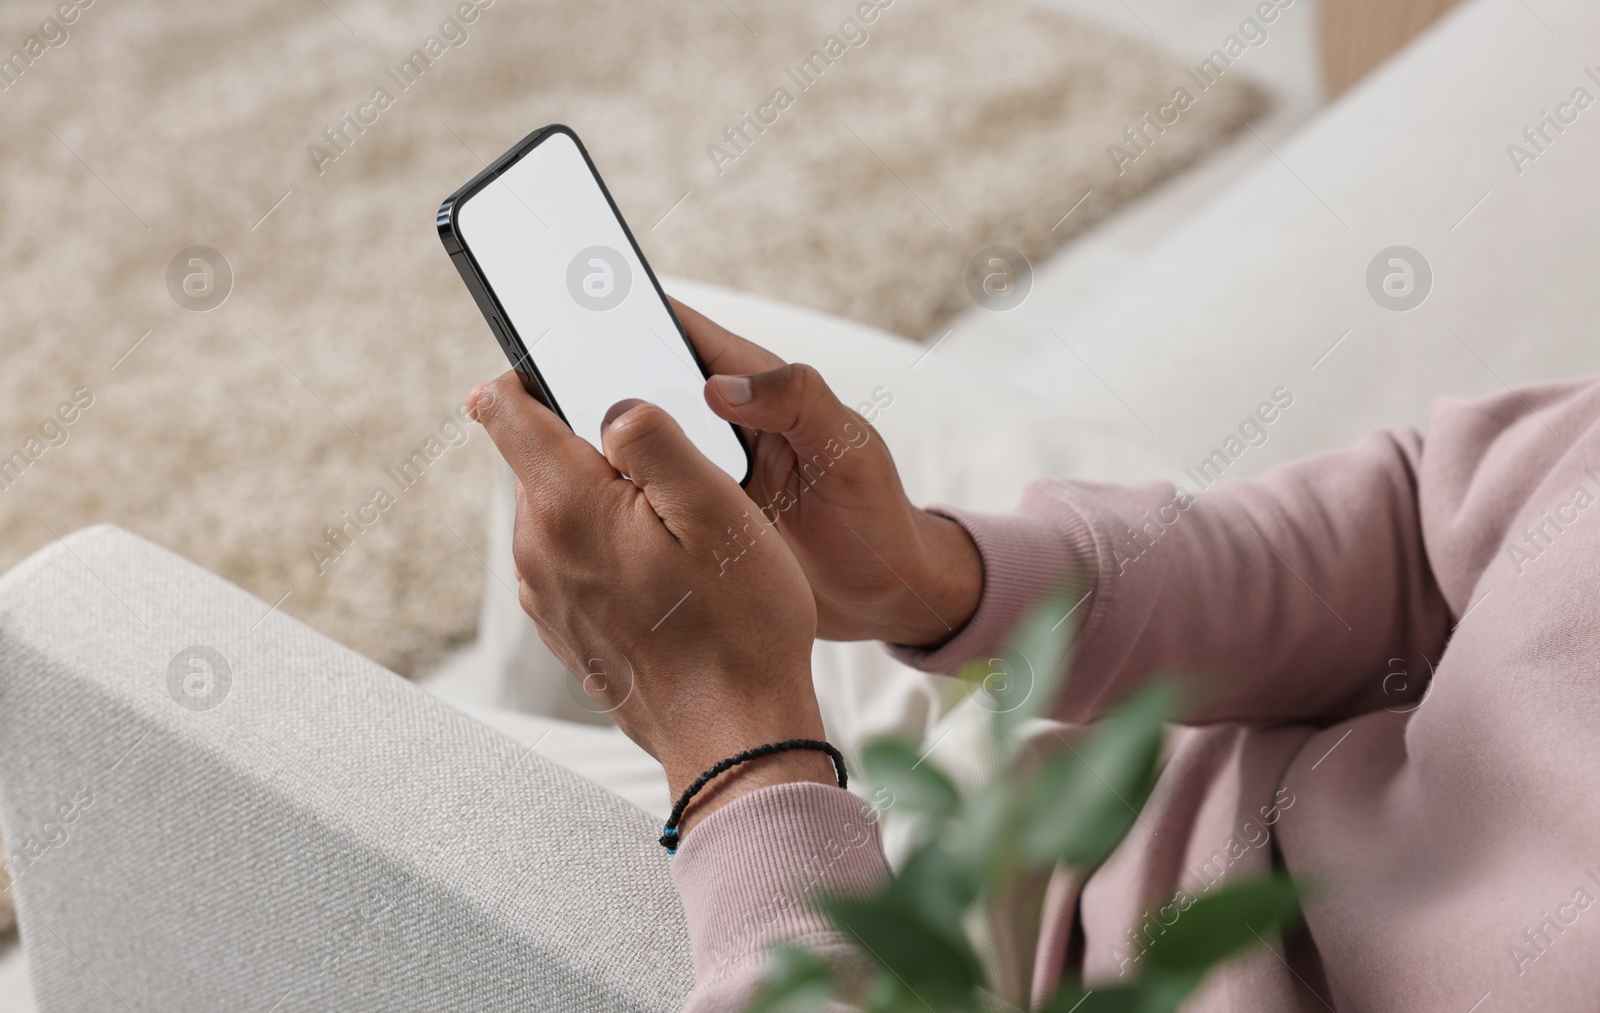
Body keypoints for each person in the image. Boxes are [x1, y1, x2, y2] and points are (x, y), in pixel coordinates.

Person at [466, 299, 1600, 1012]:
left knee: (324, 781)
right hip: (1080, 763)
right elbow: (1417, 540)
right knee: (606, 406)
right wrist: (933, 580)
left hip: (908, 955)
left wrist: (731, 747)